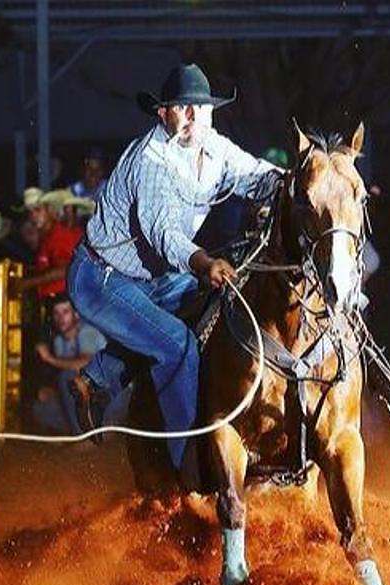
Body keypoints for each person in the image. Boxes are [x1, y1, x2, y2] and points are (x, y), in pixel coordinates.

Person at [66, 63, 281, 469]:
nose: (192, 116)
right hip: (101, 276)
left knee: (209, 306)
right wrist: (203, 262)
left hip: (150, 276)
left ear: (211, 112)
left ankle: (96, 378)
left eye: (199, 107)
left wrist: (307, 181)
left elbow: (258, 175)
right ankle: (190, 465)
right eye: (181, 108)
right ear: (163, 114)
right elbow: (163, 232)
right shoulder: (151, 159)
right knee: (177, 346)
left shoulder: (216, 149)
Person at [31, 295, 108, 433]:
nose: (60, 318)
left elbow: (84, 363)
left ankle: (84, 436)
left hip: (111, 396)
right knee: (41, 407)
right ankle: (80, 430)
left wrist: (49, 358)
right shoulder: (59, 341)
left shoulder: (87, 331)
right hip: (90, 397)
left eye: (65, 312)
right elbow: (66, 369)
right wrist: (52, 391)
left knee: (68, 377)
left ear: (76, 315)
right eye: (56, 313)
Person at [19, 190, 89, 300]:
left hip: (63, 299)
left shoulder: (59, 235)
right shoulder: (47, 237)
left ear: (50, 211)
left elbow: (65, 268)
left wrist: (29, 282)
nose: (33, 216)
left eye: (38, 210)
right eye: (30, 212)